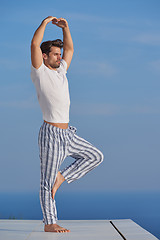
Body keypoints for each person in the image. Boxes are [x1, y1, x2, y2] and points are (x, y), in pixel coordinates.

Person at [30, 16, 104, 233]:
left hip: (68, 135)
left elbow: (70, 50)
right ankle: (50, 223)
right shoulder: (40, 72)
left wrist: (66, 29)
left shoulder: (61, 71)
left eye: (58, 54)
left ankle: (62, 177)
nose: (59, 56)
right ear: (44, 57)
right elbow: (34, 44)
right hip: (51, 134)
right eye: (55, 54)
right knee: (46, 181)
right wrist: (44, 23)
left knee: (95, 156)